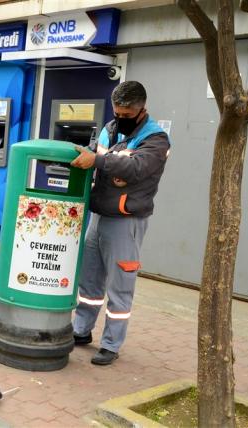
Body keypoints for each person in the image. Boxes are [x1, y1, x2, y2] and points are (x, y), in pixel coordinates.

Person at [70, 81, 170, 365]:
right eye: (117, 114)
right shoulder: (109, 129)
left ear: (142, 110)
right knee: (90, 280)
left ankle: (111, 344)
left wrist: (98, 160)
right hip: (99, 215)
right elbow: (93, 153)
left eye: (127, 115)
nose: (121, 119)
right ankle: (81, 329)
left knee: (120, 285)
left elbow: (136, 168)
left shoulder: (156, 139)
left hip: (126, 221)